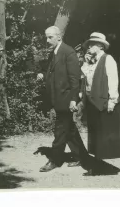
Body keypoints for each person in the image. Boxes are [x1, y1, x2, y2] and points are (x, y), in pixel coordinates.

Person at [36, 26, 88, 172]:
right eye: (46, 37)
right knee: (69, 130)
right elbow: (55, 74)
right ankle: (81, 157)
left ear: (59, 37)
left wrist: (73, 99)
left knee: (60, 130)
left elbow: (75, 78)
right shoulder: (54, 52)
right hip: (57, 98)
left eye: (50, 37)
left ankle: (54, 160)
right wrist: (43, 75)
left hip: (66, 98)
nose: (47, 40)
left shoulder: (68, 51)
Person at [80, 32, 120, 175]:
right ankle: (96, 165)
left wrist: (112, 101)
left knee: (112, 134)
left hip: (107, 102)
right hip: (93, 103)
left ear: (100, 46)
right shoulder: (91, 62)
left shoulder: (108, 59)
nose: (89, 47)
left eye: (92, 44)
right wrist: (86, 62)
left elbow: (113, 81)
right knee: (96, 134)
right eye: (89, 44)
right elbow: (86, 81)